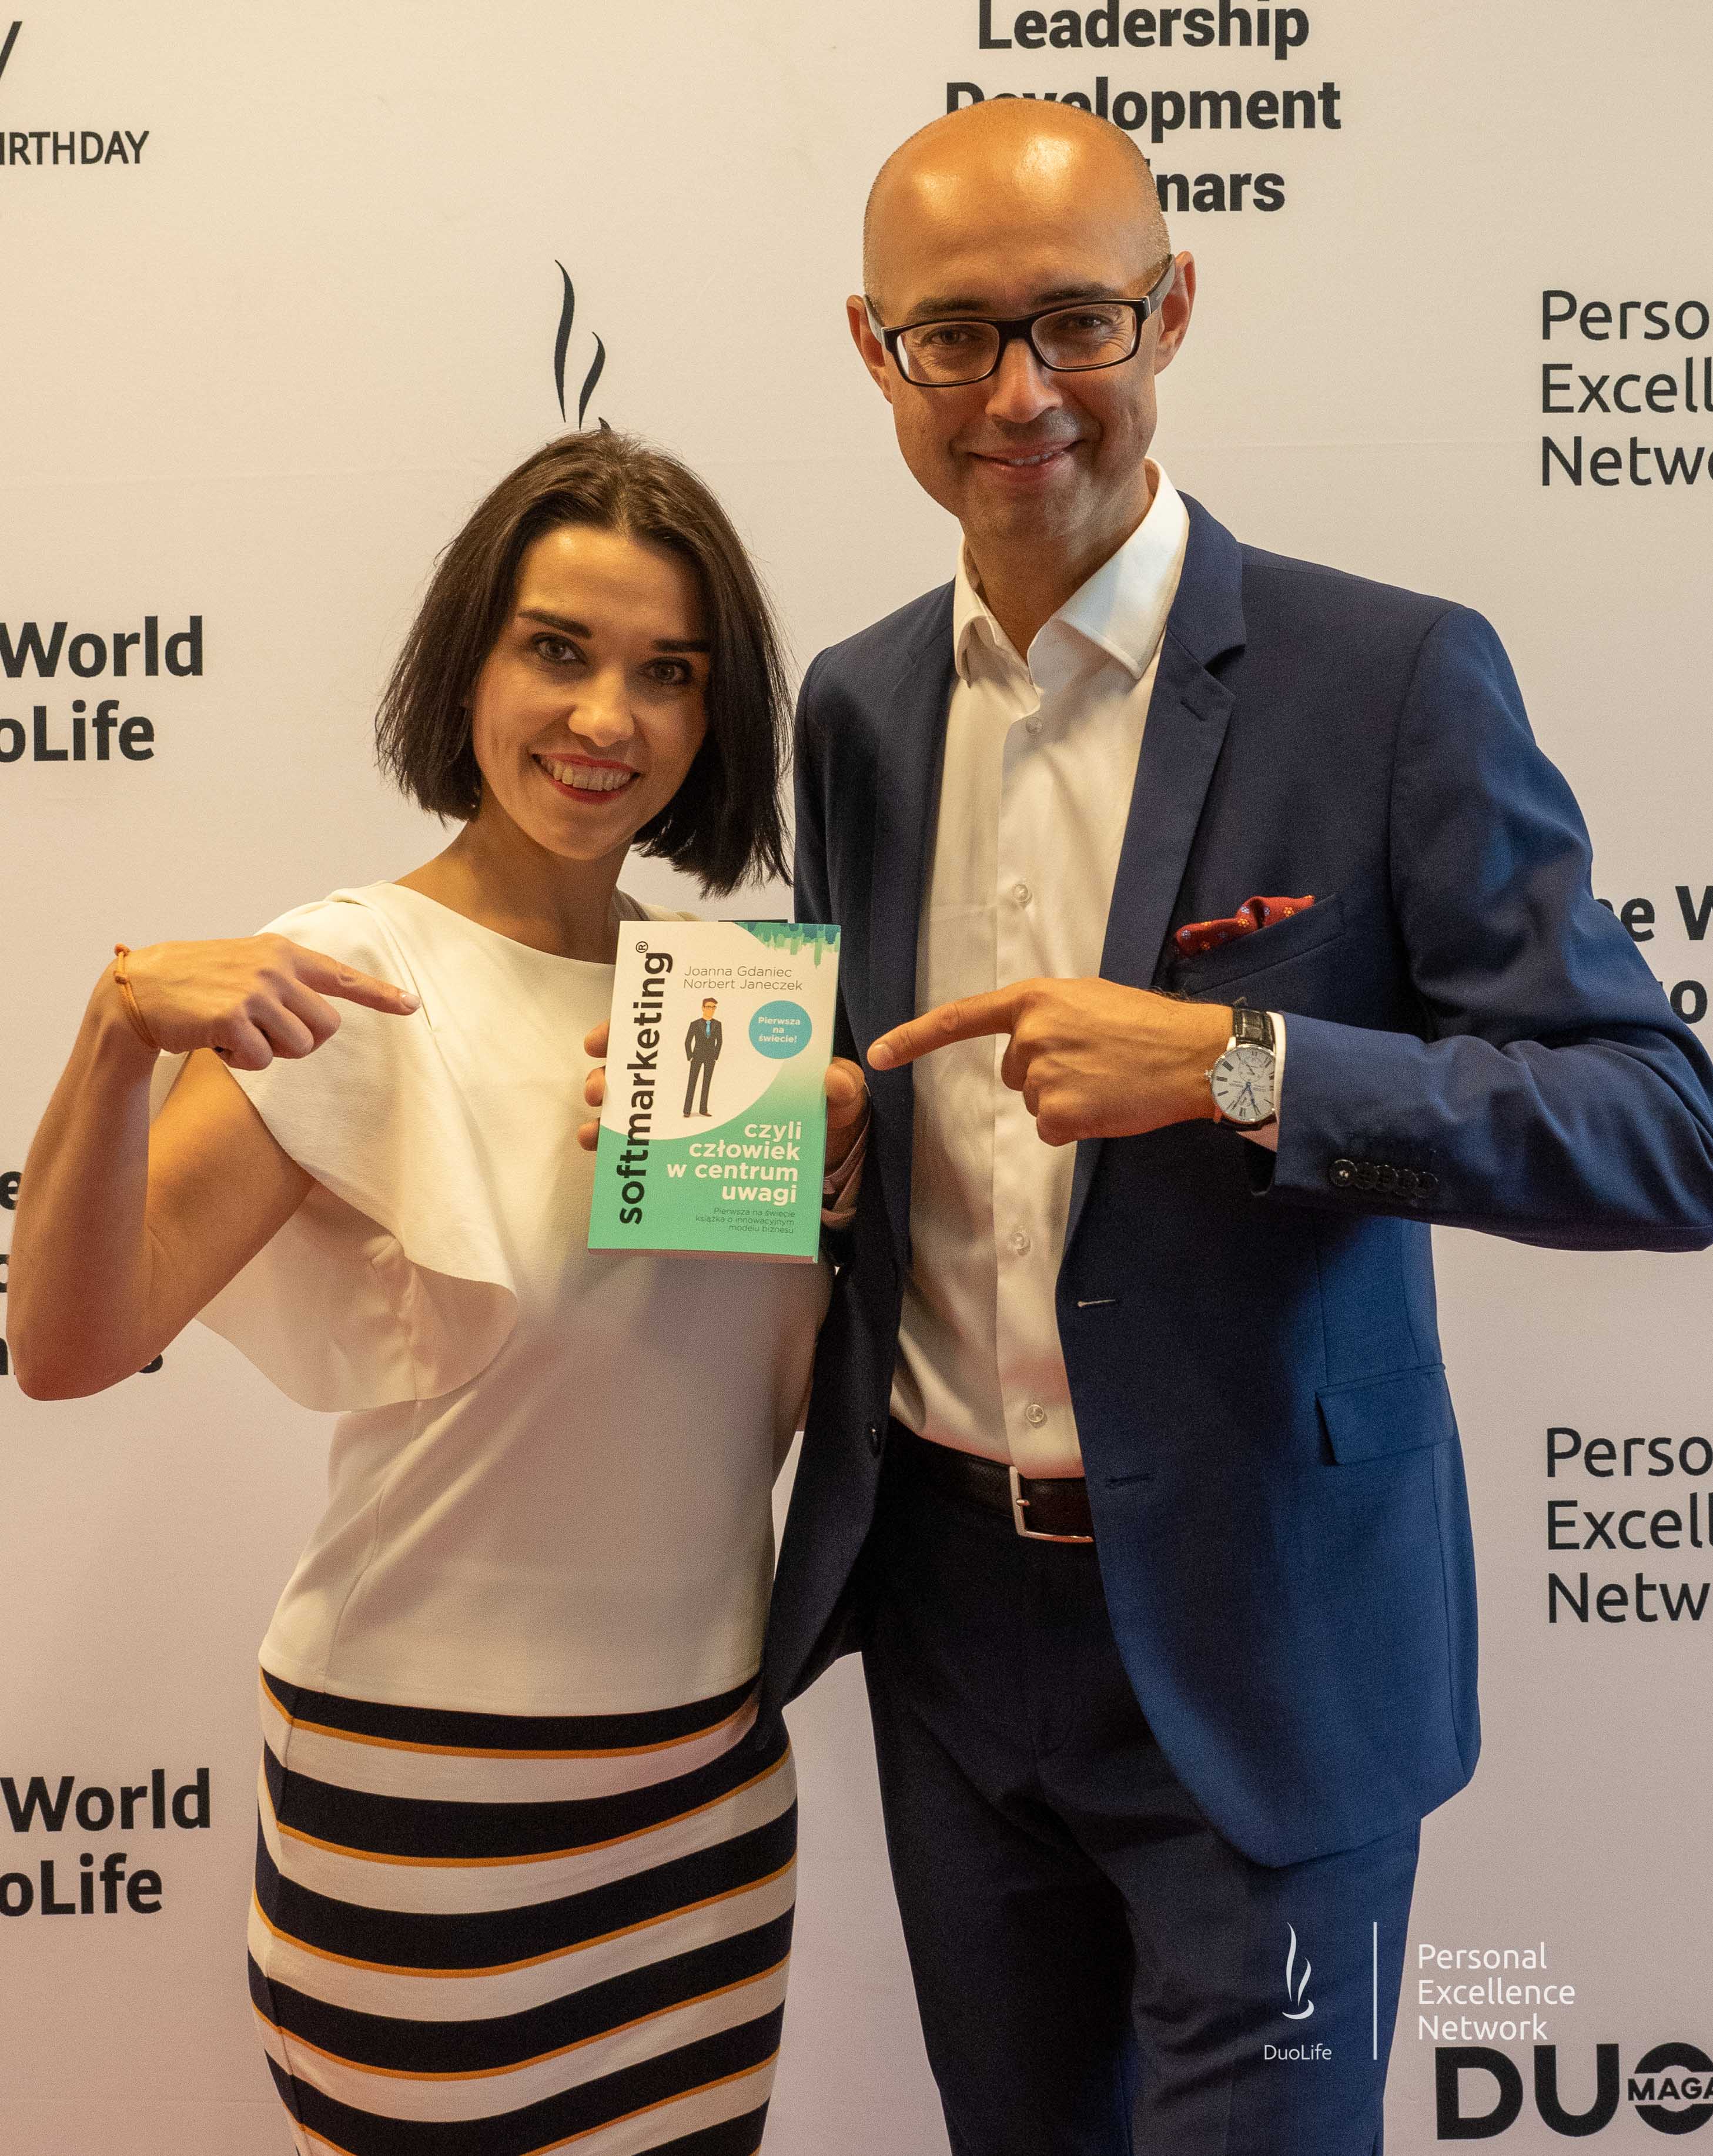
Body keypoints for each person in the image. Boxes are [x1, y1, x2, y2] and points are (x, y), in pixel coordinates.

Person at [767, 100, 1713, 2156]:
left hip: (1264, 1638)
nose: (1018, 392)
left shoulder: (1386, 678)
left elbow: (1658, 1126)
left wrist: (1237, 1063)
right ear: (871, 351)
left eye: (1075, 319)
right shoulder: (846, 706)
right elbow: (880, 1152)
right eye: (952, 336)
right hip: (945, 1626)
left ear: (1171, 306)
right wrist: (800, 1142)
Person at [10, 429, 866, 2156]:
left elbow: (753, 1411)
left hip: (704, 1798)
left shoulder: (733, 1004)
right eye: (558, 649)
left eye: (668, 672)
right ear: (469, 659)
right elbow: (67, 1347)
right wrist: (113, 1037)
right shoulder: (356, 972)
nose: (607, 717)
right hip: (425, 1804)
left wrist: (838, 1180)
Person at [685, 995, 724, 1114]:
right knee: (692, 1083)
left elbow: (720, 1041)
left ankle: (703, 1110)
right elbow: (688, 1041)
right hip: (697, 1056)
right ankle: (687, 1110)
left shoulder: (718, 1024)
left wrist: (715, 1057)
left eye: (713, 1007)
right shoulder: (695, 1024)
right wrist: (690, 1056)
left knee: (706, 1083)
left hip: (710, 1057)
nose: (711, 1010)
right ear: (703, 1008)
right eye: (708, 1007)